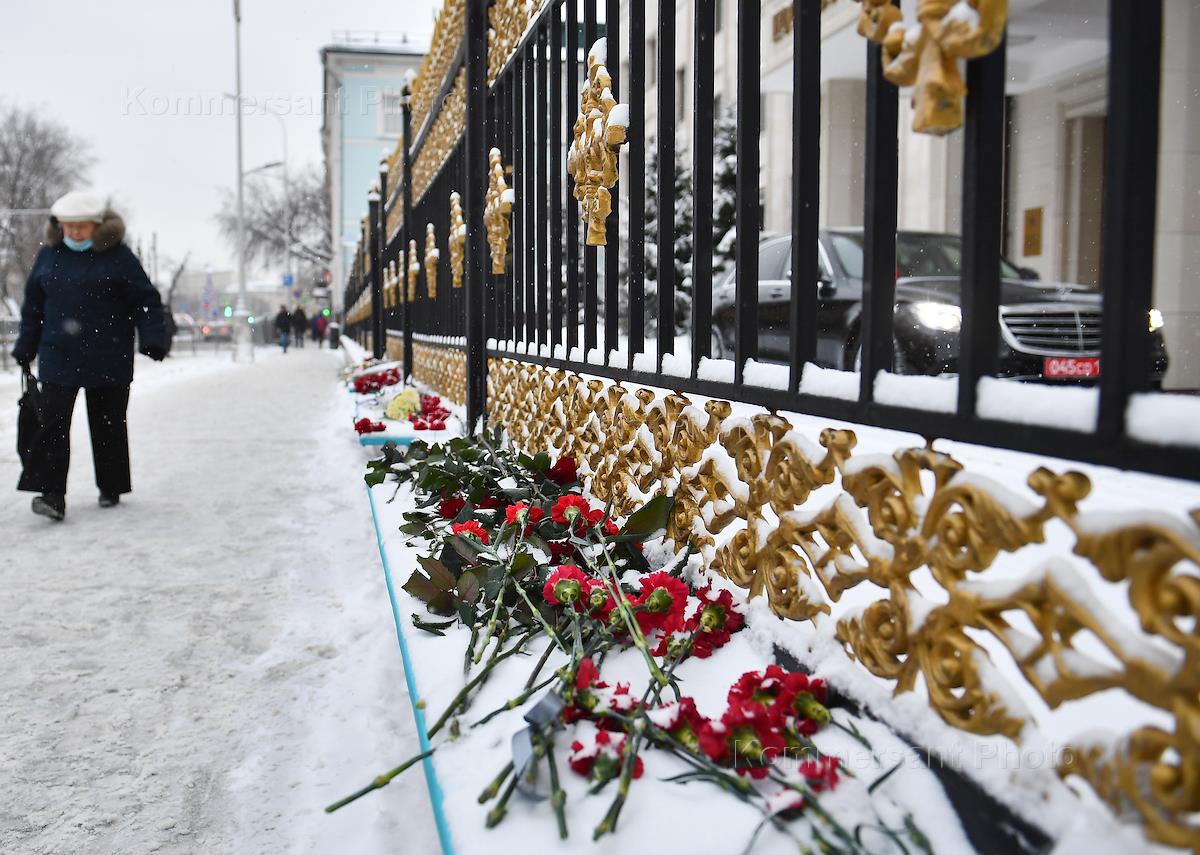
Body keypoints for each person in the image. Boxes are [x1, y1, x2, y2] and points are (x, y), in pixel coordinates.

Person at [10, 190, 168, 521]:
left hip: (108, 353)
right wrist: (26, 345)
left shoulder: (119, 257)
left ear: (98, 225)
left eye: (82, 226)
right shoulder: (49, 256)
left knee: (108, 423)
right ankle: (51, 495)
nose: (75, 232)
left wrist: (154, 337)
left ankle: (111, 486)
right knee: (51, 425)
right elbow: (33, 307)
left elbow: (146, 300)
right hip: (58, 354)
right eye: (69, 226)